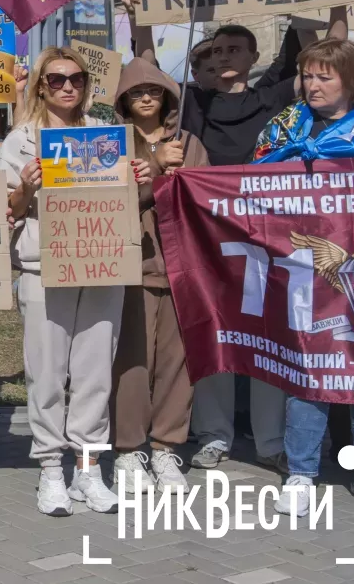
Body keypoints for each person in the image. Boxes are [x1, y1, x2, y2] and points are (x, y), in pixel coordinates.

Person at [128, 0, 311, 475]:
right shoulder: (192, 103)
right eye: (219, 50)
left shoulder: (272, 97)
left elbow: (322, 63)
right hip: (206, 237)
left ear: (254, 58)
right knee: (212, 330)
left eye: (236, 49)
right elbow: (146, 72)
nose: (226, 56)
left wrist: (330, 9)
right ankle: (213, 434)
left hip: (268, 236)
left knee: (268, 331)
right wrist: (137, 17)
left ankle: (271, 439)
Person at [0, 46, 153, 516]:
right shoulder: (20, 142)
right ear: (42, 85)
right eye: (58, 79)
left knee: (94, 371)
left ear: (87, 85)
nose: (68, 87)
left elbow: (128, 199)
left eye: (77, 79)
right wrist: (25, 186)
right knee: (46, 372)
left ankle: (88, 468)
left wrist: (142, 176)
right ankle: (49, 469)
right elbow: (8, 212)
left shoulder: (107, 137)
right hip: (46, 267)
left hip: (101, 262)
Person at [240, 38, 354, 521]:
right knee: (309, 370)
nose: (312, 85)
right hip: (304, 272)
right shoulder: (286, 124)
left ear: (352, 80)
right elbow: (250, 178)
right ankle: (301, 473)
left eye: (325, 76)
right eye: (307, 75)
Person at [109, 53, 208, 495]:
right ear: (123, 101)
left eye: (153, 90)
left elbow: (209, 200)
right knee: (133, 362)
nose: (146, 97)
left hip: (184, 268)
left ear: (168, 95)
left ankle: (168, 446)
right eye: (135, 92)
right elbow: (108, 206)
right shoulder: (111, 143)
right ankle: (129, 450)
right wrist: (152, 167)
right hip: (132, 266)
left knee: (178, 363)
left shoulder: (188, 140)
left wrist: (184, 174)